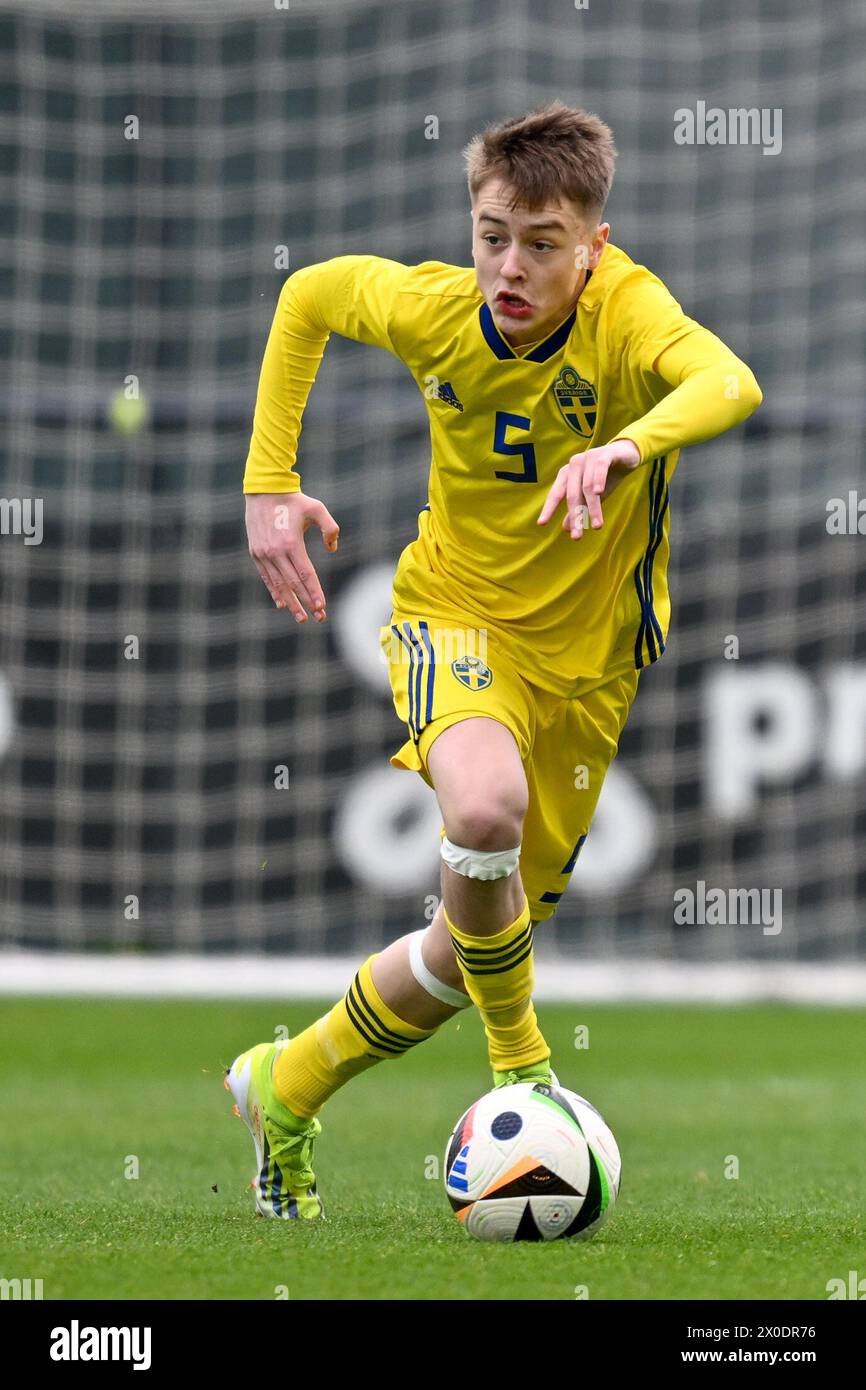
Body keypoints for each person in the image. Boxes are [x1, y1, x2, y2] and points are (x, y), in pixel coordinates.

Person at [226, 100, 762, 1219]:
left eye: (540, 243)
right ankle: (524, 1074)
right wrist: (266, 483)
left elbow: (727, 382)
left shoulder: (628, 317)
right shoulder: (435, 309)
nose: (506, 268)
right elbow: (305, 295)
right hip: (454, 616)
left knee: (456, 946)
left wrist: (625, 443)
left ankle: (285, 1083)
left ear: (593, 245)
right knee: (480, 812)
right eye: (489, 234)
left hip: (589, 669)